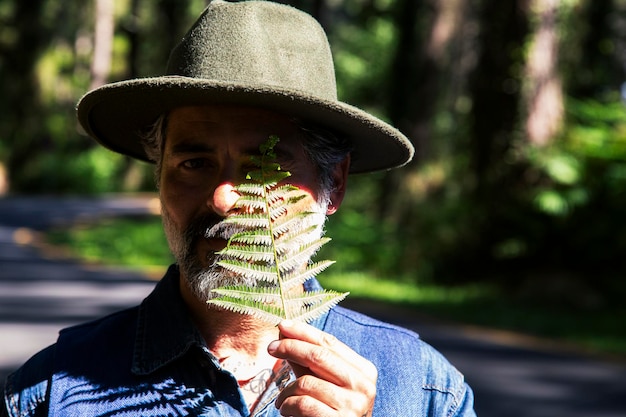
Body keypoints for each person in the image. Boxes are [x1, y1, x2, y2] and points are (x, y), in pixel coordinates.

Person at [2, 1, 477, 416]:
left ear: (334, 181)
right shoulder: (50, 392)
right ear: (159, 176)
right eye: (193, 163)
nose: (225, 198)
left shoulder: (425, 390)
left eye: (263, 165)